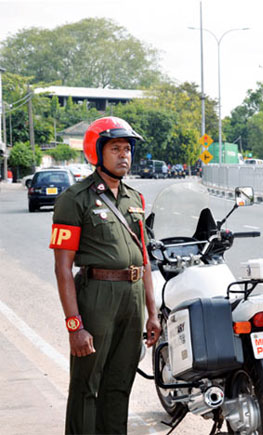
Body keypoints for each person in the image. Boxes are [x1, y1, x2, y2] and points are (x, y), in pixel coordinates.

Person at [50, 116, 161, 434]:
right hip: (97, 297)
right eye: (115, 148)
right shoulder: (74, 200)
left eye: (127, 149)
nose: (124, 155)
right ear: (97, 152)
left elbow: (145, 259)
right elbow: (62, 268)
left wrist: (152, 313)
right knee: (88, 386)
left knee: (119, 384)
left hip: (132, 298)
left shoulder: (135, 199)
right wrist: (75, 326)